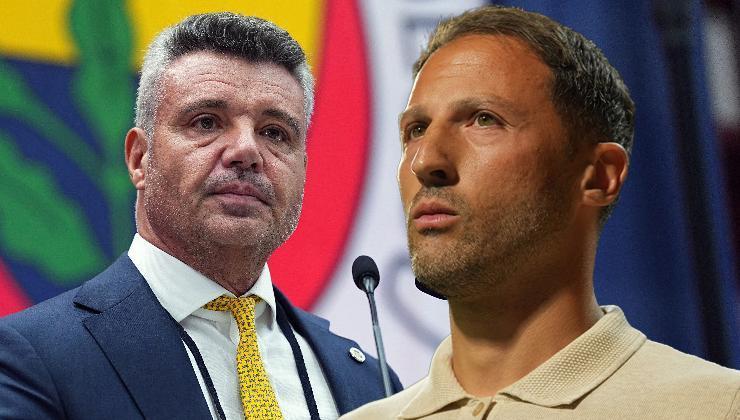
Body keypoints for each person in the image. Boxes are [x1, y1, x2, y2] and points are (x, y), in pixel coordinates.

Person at [343, 5, 739, 419]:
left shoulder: (718, 407)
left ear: (599, 176)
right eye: (416, 130)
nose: (425, 161)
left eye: (483, 120)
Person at [0, 12, 401, 420]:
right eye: (206, 122)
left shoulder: (372, 385)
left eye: (274, 132)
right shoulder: (32, 361)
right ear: (139, 159)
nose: (246, 151)